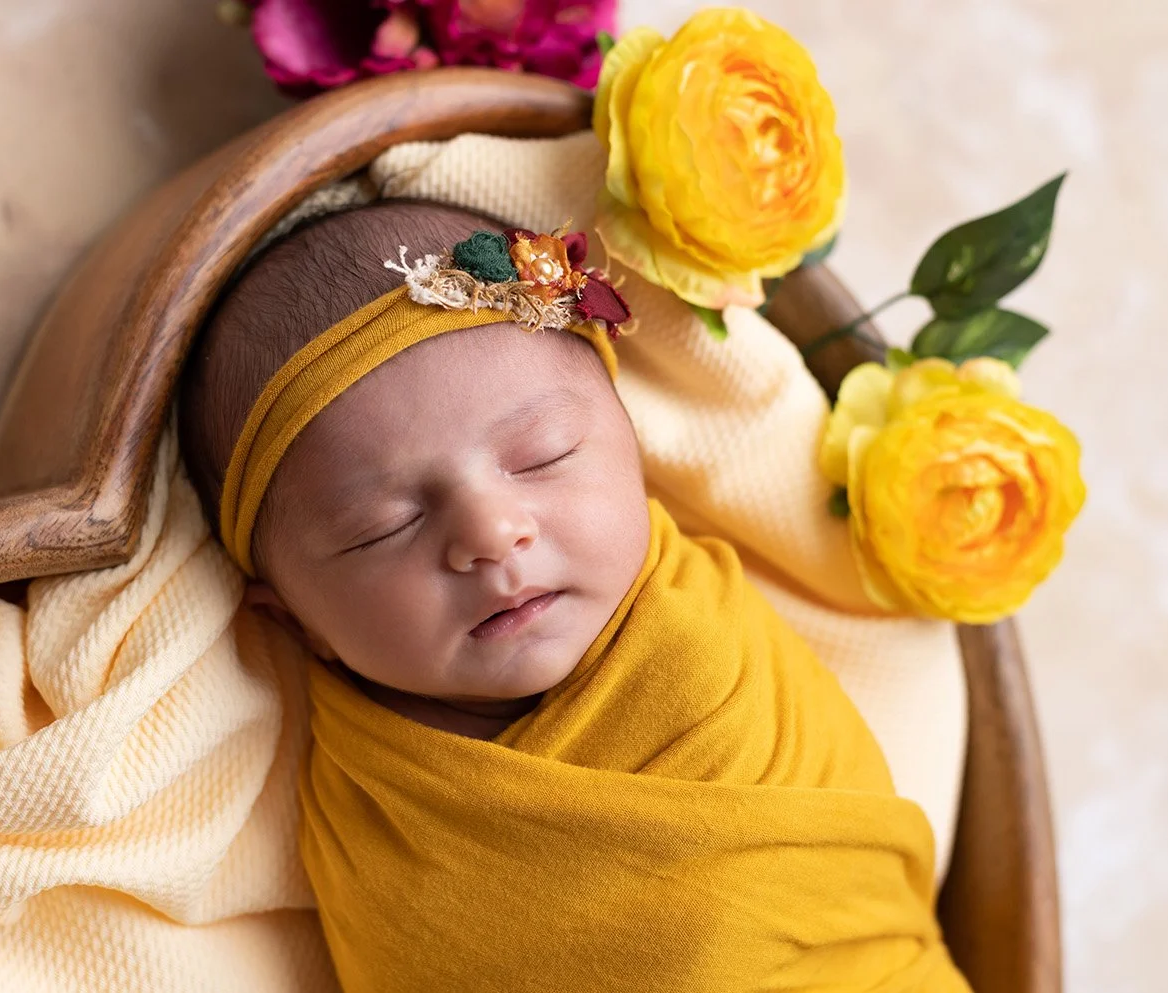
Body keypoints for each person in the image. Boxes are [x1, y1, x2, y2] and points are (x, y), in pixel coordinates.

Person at [177, 199, 971, 992]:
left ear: (633, 451)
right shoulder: (375, 815)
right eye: (384, 525)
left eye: (541, 456)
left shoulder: (703, 653)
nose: (491, 533)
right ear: (294, 619)